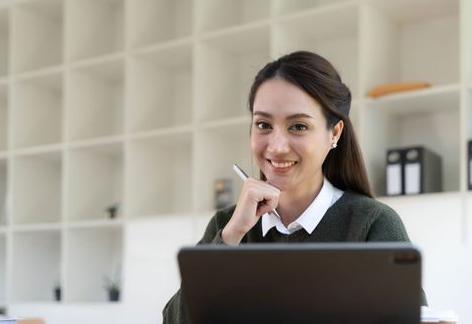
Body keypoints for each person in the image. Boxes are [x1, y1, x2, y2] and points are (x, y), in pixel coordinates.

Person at [162, 51, 426, 324]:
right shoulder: (227, 225)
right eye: (263, 124)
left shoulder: (372, 225)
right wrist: (230, 238)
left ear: (334, 133)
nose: (276, 146)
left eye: (298, 126)